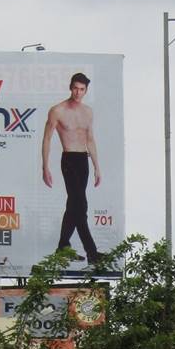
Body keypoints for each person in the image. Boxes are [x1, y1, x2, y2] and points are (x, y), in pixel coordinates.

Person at [41, 72, 103, 265]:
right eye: (75, 88)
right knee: (80, 206)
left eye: (82, 89)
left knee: (74, 207)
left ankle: (63, 248)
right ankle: (92, 253)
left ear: (86, 91)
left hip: (83, 160)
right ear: (70, 88)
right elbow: (47, 139)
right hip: (69, 159)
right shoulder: (57, 110)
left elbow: (90, 140)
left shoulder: (88, 112)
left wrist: (97, 167)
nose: (78, 92)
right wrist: (45, 167)